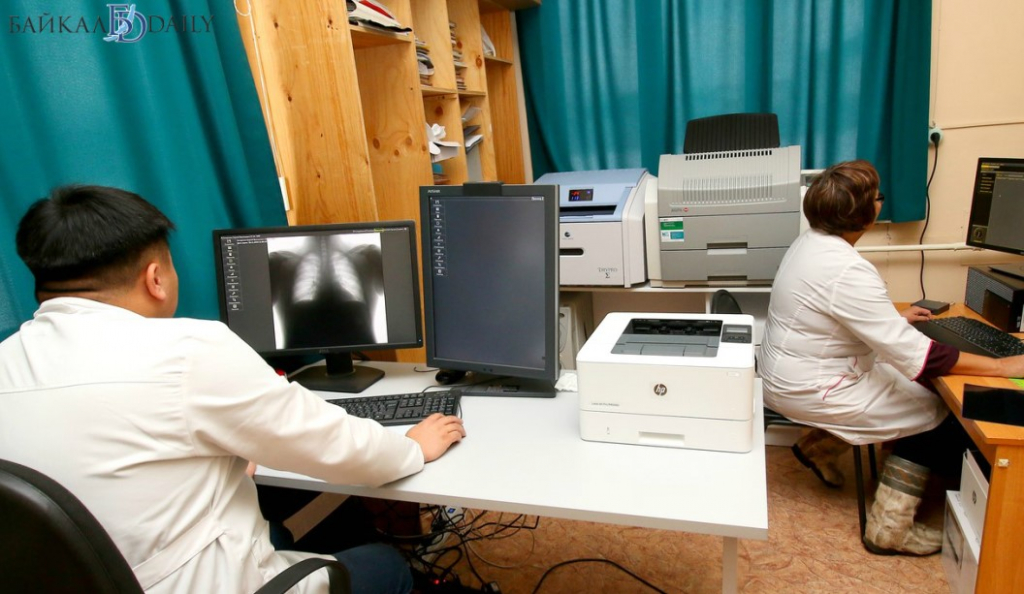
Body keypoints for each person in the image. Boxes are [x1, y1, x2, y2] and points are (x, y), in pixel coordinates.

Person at [0, 185, 466, 593]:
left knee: (287, 512)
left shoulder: (8, 362)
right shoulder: (188, 352)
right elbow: (342, 449)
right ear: (155, 278)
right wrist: (411, 447)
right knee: (386, 565)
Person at [759, 160, 1024, 556]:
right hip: (813, 385)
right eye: (877, 197)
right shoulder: (847, 269)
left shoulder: (809, 243)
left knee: (904, 384)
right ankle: (889, 529)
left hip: (790, 374)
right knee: (936, 410)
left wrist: (893, 320)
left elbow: (831, 315)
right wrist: (1003, 366)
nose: (880, 202)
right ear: (866, 215)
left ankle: (816, 447)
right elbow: (920, 358)